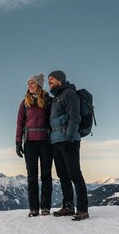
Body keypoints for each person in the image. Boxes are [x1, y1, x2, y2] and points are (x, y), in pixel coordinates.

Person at [48, 70, 89, 221]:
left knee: (75, 174)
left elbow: (75, 117)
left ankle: (83, 210)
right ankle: (68, 206)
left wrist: (70, 138)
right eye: (48, 80)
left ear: (60, 79)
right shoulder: (56, 97)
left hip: (68, 140)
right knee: (62, 175)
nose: (49, 82)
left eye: (51, 79)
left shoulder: (69, 94)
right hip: (56, 141)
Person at [15, 74, 53, 217]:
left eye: (32, 83)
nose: (29, 86)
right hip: (30, 142)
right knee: (32, 176)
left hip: (45, 142)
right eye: (28, 83)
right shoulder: (24, 103)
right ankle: (33, 208)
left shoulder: (48, 101)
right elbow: (19, 123)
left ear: (39, 85)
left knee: (46, 175)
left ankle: (45, 208)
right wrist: (18, 142)